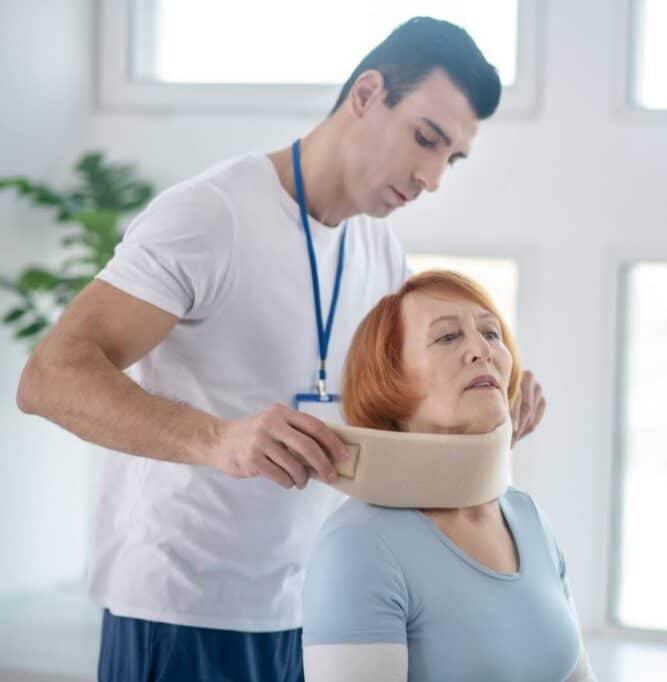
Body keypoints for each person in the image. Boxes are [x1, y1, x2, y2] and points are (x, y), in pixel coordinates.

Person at [15, 17, 546, 682]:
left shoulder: (381, 254)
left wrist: (490, 408)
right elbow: (50, 378)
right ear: (366, 94)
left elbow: (395, 426)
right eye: (426, 139)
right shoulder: (210, 215)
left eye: (452, 158)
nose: (434, 177)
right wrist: (217, 440)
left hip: (312, 610)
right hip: (182, 613)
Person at [302, 270, 595, 681]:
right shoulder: (359, 545)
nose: (482, 350)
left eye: (491, 334)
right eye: (447, 337)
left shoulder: (528, 518)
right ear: (390, 382)